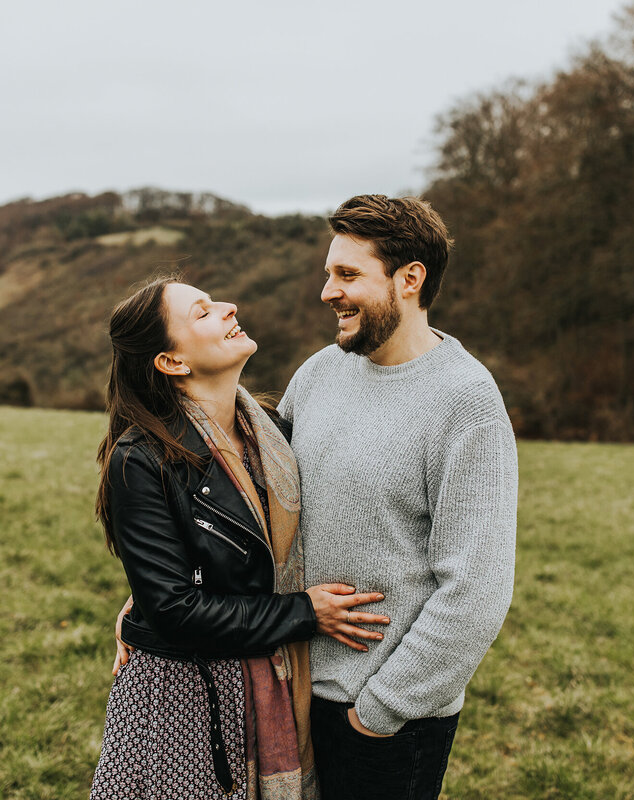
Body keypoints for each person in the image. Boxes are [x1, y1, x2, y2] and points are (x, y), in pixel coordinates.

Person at [91, 277, 390, 800]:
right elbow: (175, 609)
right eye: (203, 313)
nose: (229, 308)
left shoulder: (270, 436)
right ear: (172, 362)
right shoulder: (139, 459)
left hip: (272, 682)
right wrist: (304, 612)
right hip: (182, 705)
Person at [277, 194, 518, 800]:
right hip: (291, 692)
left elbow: (477, 589)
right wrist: (152, 601)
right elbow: (251, 507)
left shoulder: (466, 402)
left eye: (348, 275)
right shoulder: (316, 375)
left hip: (385, 721)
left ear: (410, 279)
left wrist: (379, 712)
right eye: (329, 272)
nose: (327, 291)